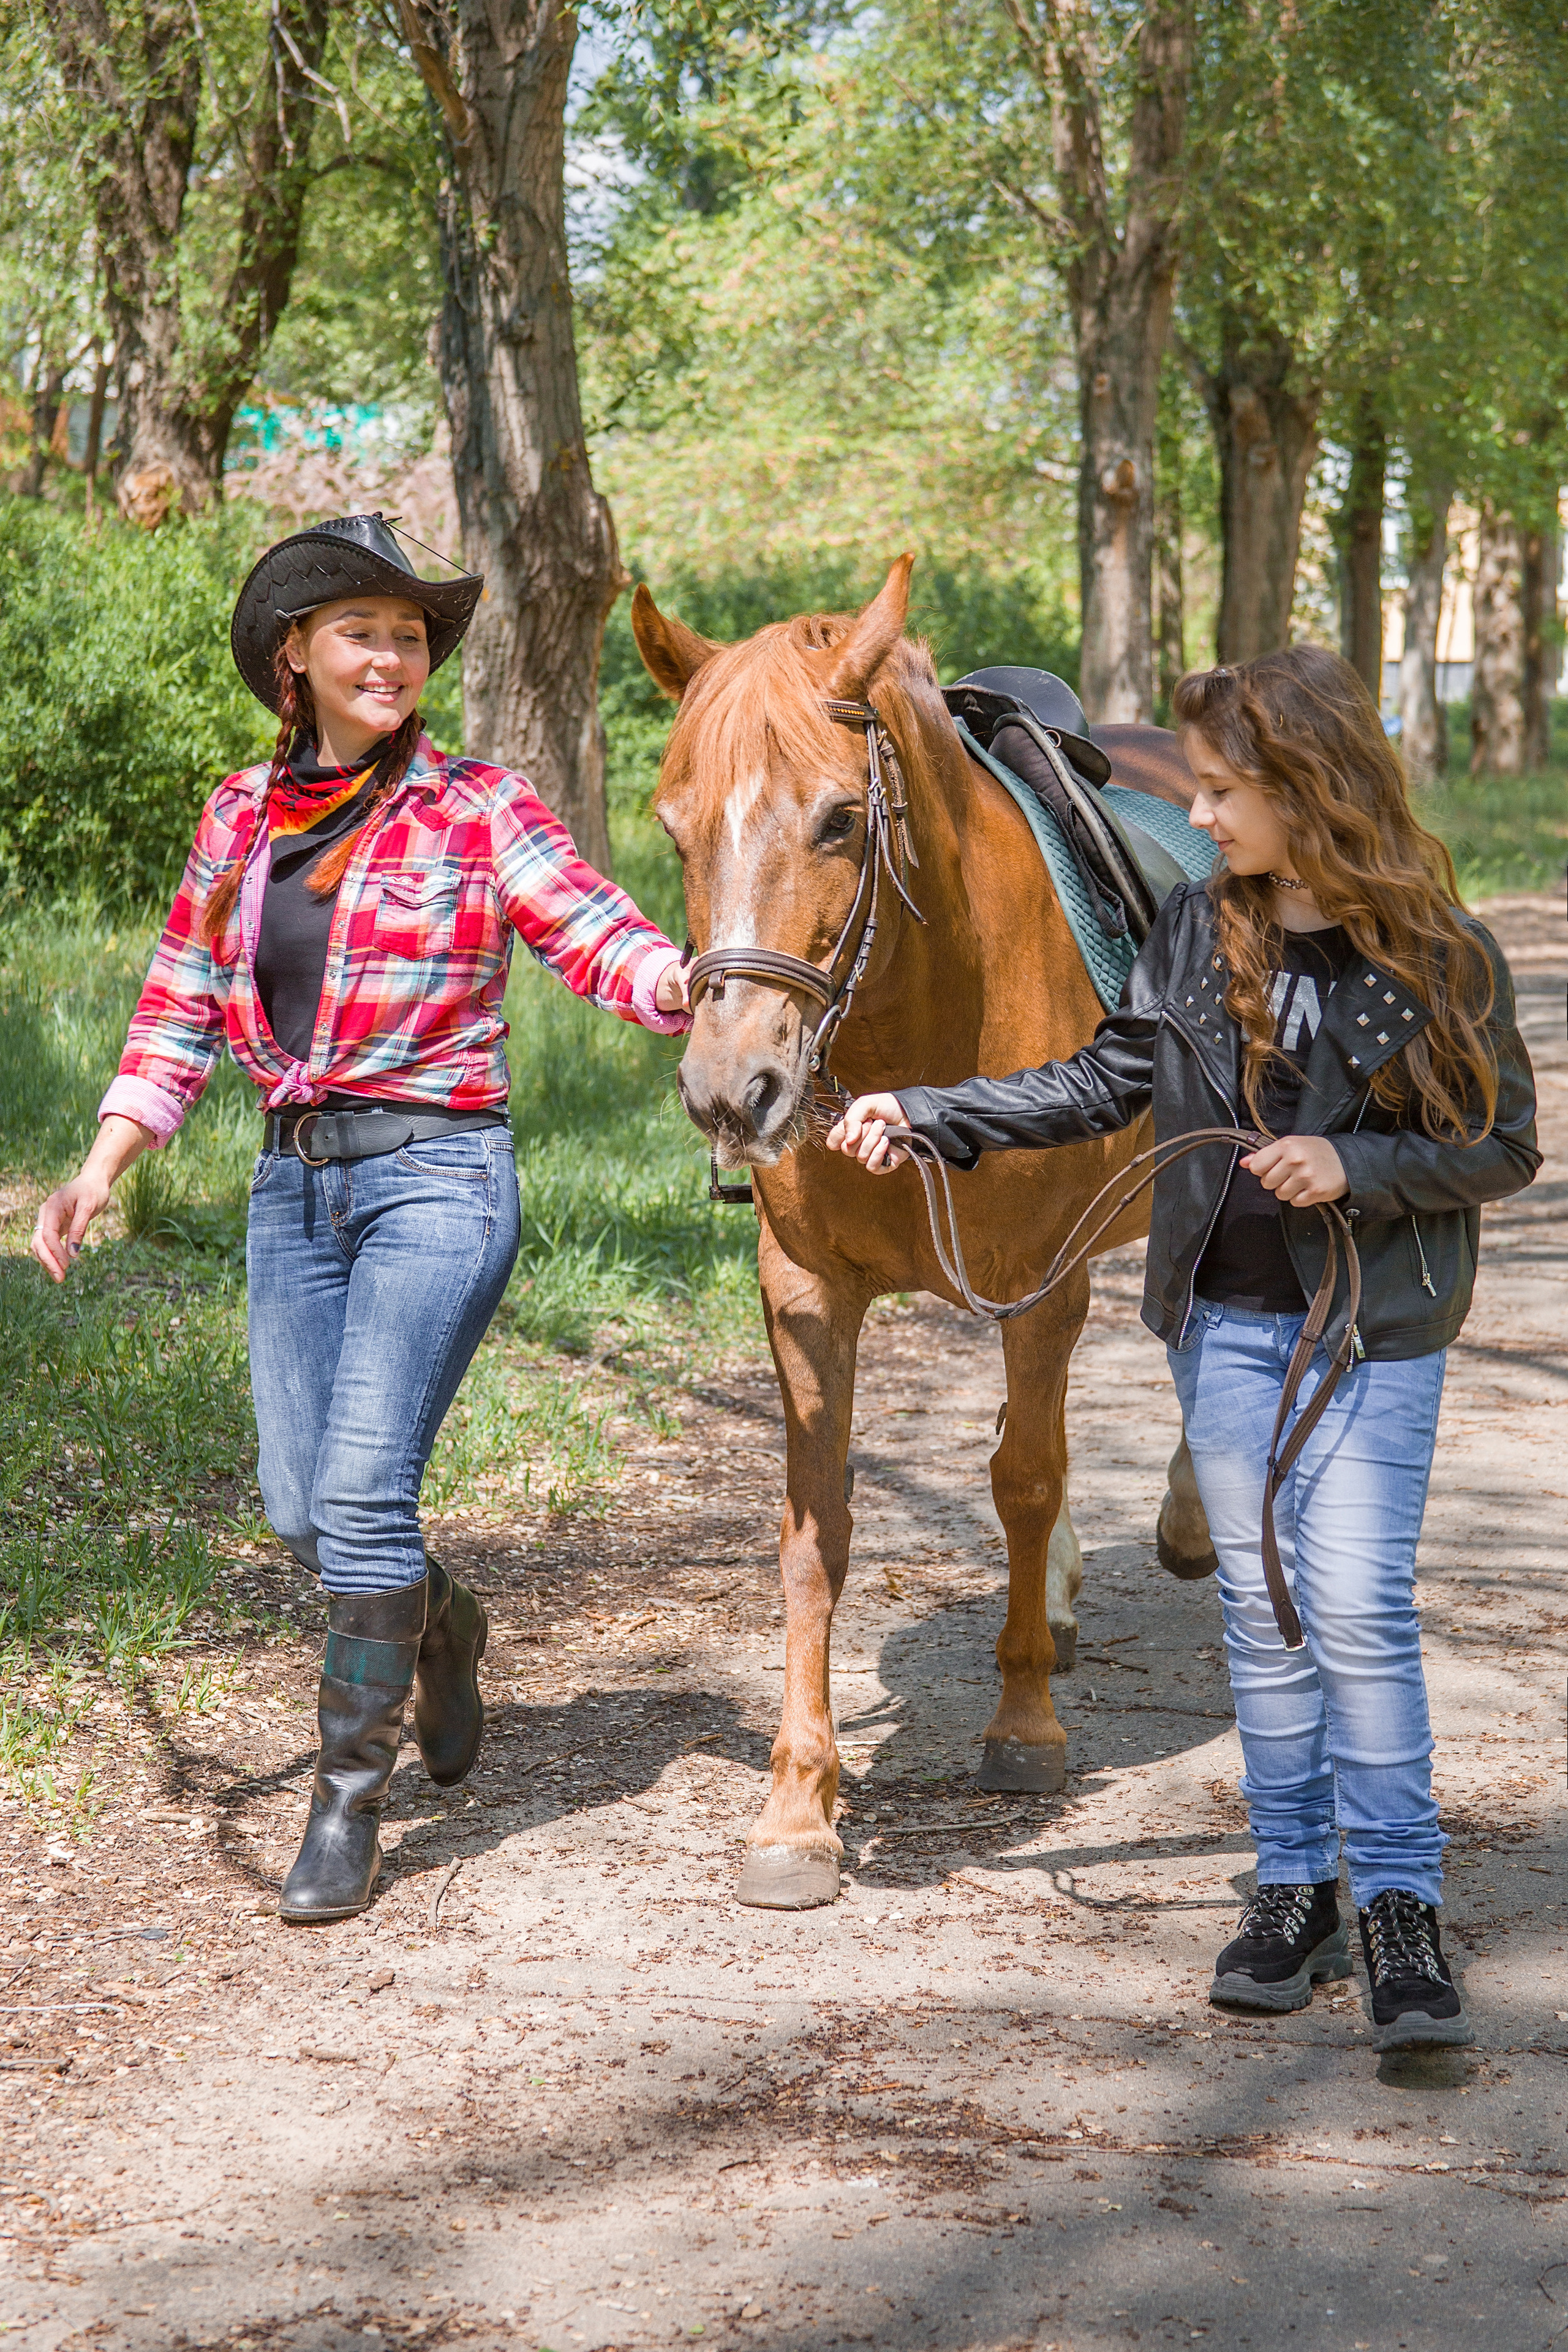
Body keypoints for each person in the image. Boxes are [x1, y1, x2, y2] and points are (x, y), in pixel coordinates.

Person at [827, 646, 1539, 2052]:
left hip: (1369, 1331)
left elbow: (1498, 1146)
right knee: (1262, 1625)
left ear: (1306, 787)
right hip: (1220, 1326)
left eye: (1220, 792)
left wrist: (1353, 1167)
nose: (1197, 816)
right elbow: (1106, 1077)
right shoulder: (1193, 932)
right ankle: (1292, 1890)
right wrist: (931, 1112)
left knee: (1352, 1612)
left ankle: (1400, 1904)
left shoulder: (1440, 954)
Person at [32, 513, 692, 1926]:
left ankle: (345, 1804)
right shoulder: (237, 816)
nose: (391, 656)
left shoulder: (476, 804)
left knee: (362, 1495)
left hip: (438, 1178)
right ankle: (439, 1622)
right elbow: (176, 1008)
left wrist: (697, 983)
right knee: (298, 1507)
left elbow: (590, 929)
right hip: (292, 1184)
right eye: (361, 633)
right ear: (298, 657)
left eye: (408, 635)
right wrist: (103, 1165)